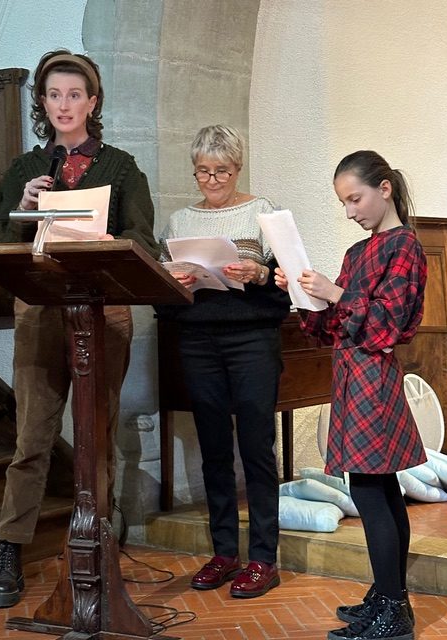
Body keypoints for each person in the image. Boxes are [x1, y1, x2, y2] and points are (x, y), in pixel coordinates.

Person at [0, 49, 159, 608]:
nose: (64, 104)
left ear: (92, 101)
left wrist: (111, 242)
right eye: (54, 94)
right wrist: (22, 208)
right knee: (32, 438)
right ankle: (10, 550)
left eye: (75, 94)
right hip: (39, 311)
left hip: (102, 312)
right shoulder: (24, 168)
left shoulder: (121, 167)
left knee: (95, 435)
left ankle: (99, 543)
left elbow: (145, 241)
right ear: (42, 101)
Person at [275, 150, 426, 640]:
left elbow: (386, 325)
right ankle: (386, 595)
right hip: (350, 374)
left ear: (384, 188)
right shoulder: (359, 253)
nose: (349, 211)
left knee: (369, 490)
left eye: (355, 199)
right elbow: (331, 329)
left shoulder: (404, 246)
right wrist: (303, 295)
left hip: (373, 378)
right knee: (379, 489)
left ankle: (394, 610)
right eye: (342, 202)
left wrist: (336, 293)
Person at [157, 124, 290, 598]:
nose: (212, 181)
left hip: (252, 338)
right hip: (198, 341)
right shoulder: (179, 222)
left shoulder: (262, 213)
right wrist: (177, 286)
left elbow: (289, 283)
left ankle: (264, 559)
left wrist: (260, 273)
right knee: (213, 448)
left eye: (222, 171)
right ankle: (224, 553)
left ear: (238, 168)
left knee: (256, 447)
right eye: (203, 172)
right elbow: (160, 299)